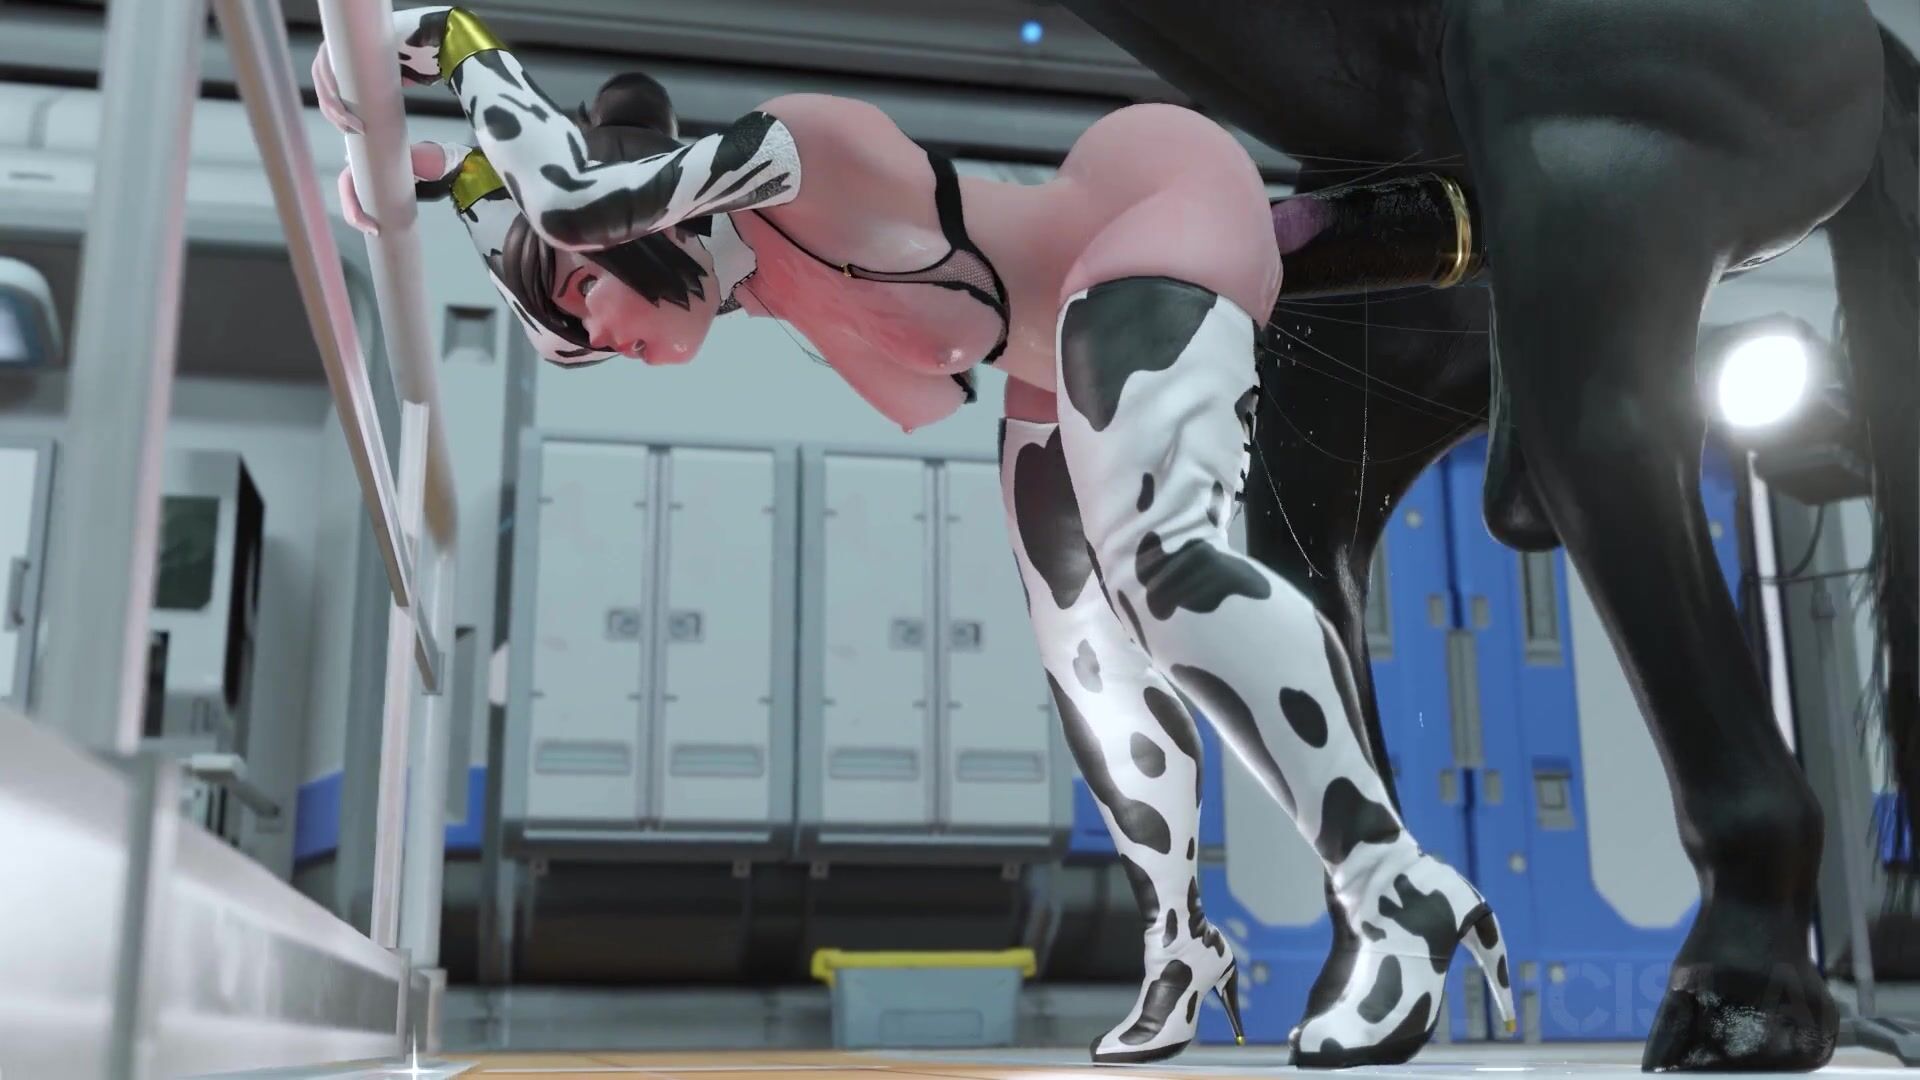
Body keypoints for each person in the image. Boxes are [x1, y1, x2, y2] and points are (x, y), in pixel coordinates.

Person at [316, 7, 1514, 1065]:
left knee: (1162, 566)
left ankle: (1395, 889)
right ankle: (1180, 942)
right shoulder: (726, 271)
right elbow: (562, 261)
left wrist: (451, 43)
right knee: (1086, 662)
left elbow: (575, 207)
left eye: (586, 294)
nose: (589, 336)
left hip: (1148, 225)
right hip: (1050, 341)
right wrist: (439, 181)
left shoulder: (793, 153)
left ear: (636, 222)